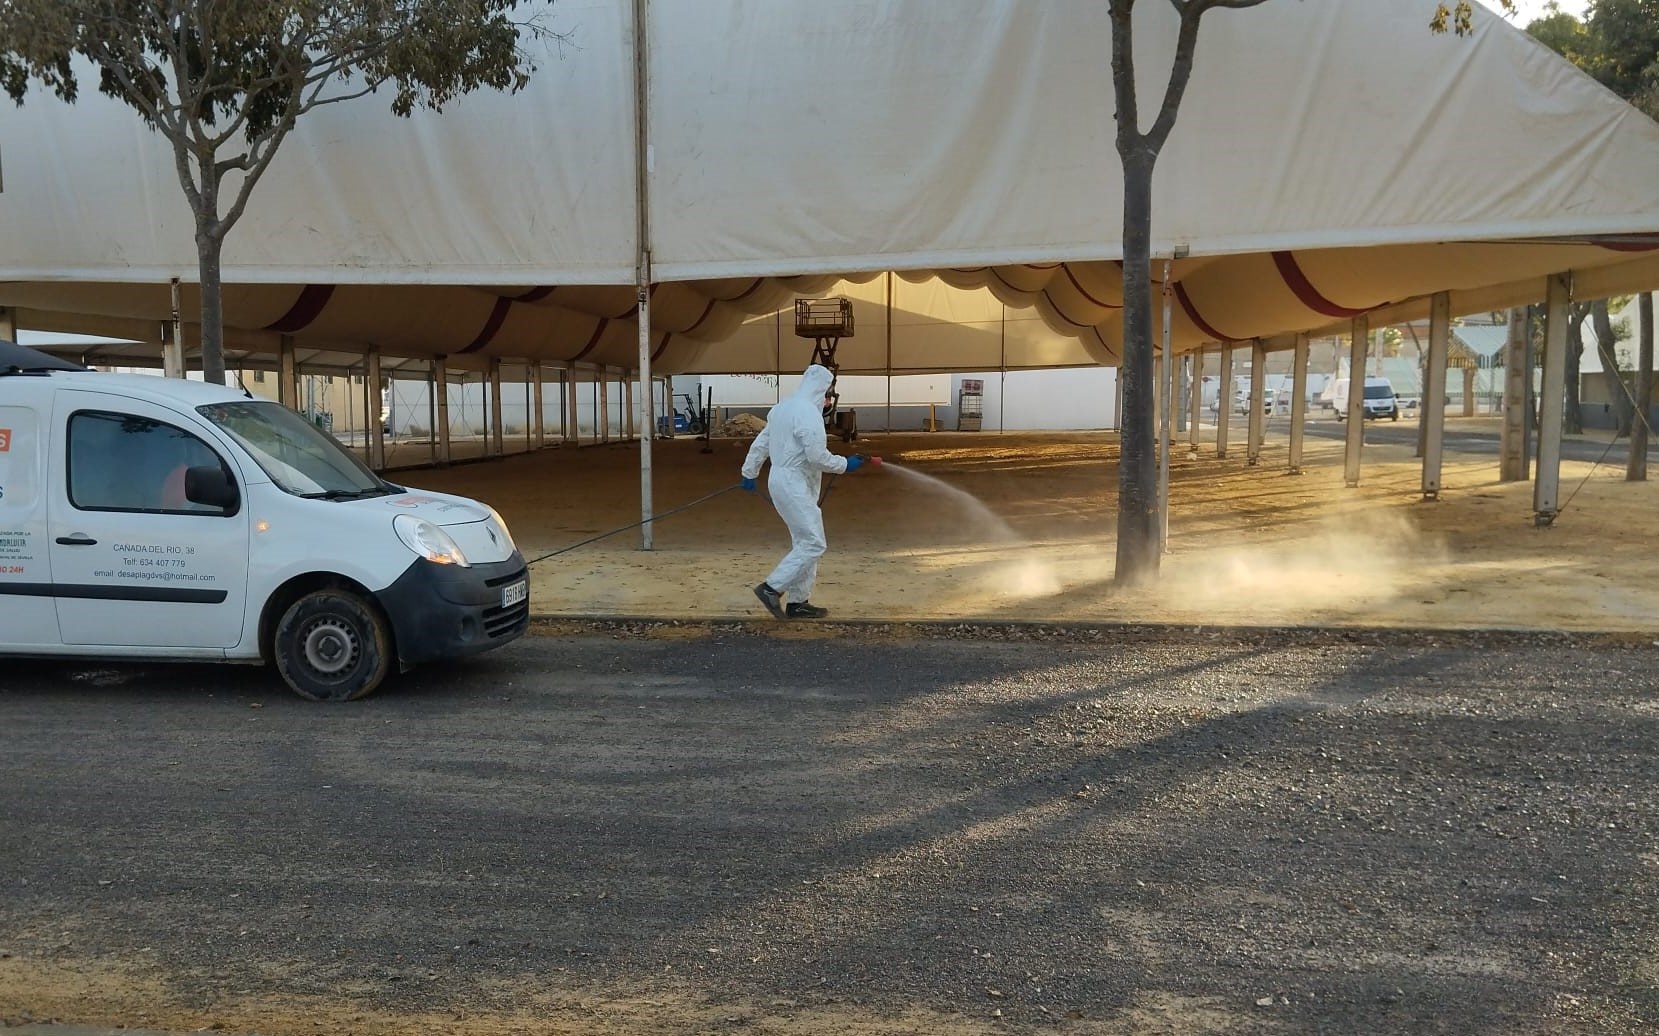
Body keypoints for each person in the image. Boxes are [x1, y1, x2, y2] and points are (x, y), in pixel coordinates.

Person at [740, 364, 868, 620]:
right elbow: (817, 456)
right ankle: (771, 588)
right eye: (828, 394)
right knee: (813, 543)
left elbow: (762, 443)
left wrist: (749, 472)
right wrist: (845, 464)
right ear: (820, 389)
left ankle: (798, 603)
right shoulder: (808, 413)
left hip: (783, 480)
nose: (829, 400)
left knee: (804, 541)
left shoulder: (782, 408)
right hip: (793, 483)